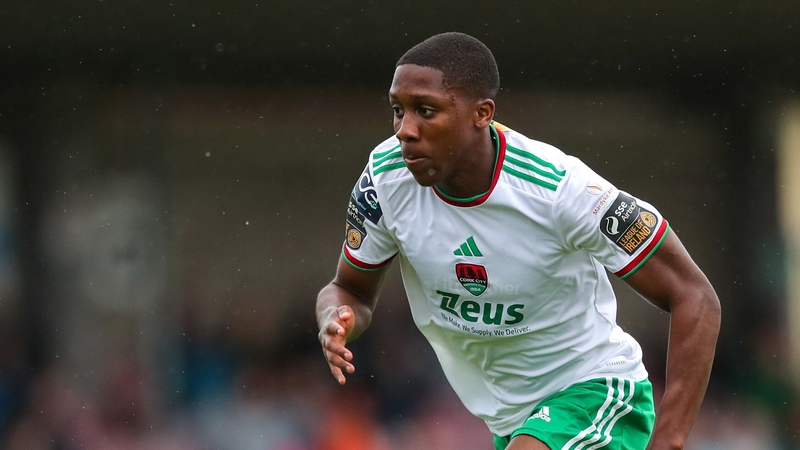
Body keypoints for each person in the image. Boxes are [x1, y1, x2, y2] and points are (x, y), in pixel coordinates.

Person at [316, 31, 721, 450]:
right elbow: (349, 290)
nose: (405, 130)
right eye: (397, 111)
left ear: (482, 113)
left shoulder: (561, 190)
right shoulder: (384, 178)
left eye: (425, 111)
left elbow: (695, 295)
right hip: (511, 421)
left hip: (594, 393)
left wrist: (669, 440)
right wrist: (335, 317)